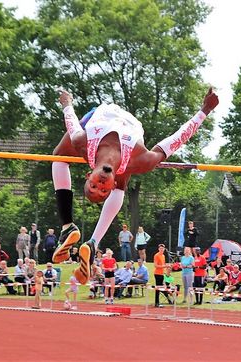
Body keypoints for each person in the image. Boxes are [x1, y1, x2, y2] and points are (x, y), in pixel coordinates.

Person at [50, 87, 219, 284]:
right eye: (104, 190)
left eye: (94, 186)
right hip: (131, 128)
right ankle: (93, 242)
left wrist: (66, 103)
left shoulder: (83, 141)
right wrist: (204, 111)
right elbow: (177, 140)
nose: (101, 185)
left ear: (89, 175)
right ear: (111, 185)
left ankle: (68, 226)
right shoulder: (140, 160)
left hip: (97, 116)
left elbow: (70, 118)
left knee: (58, 156)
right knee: (124, 175)